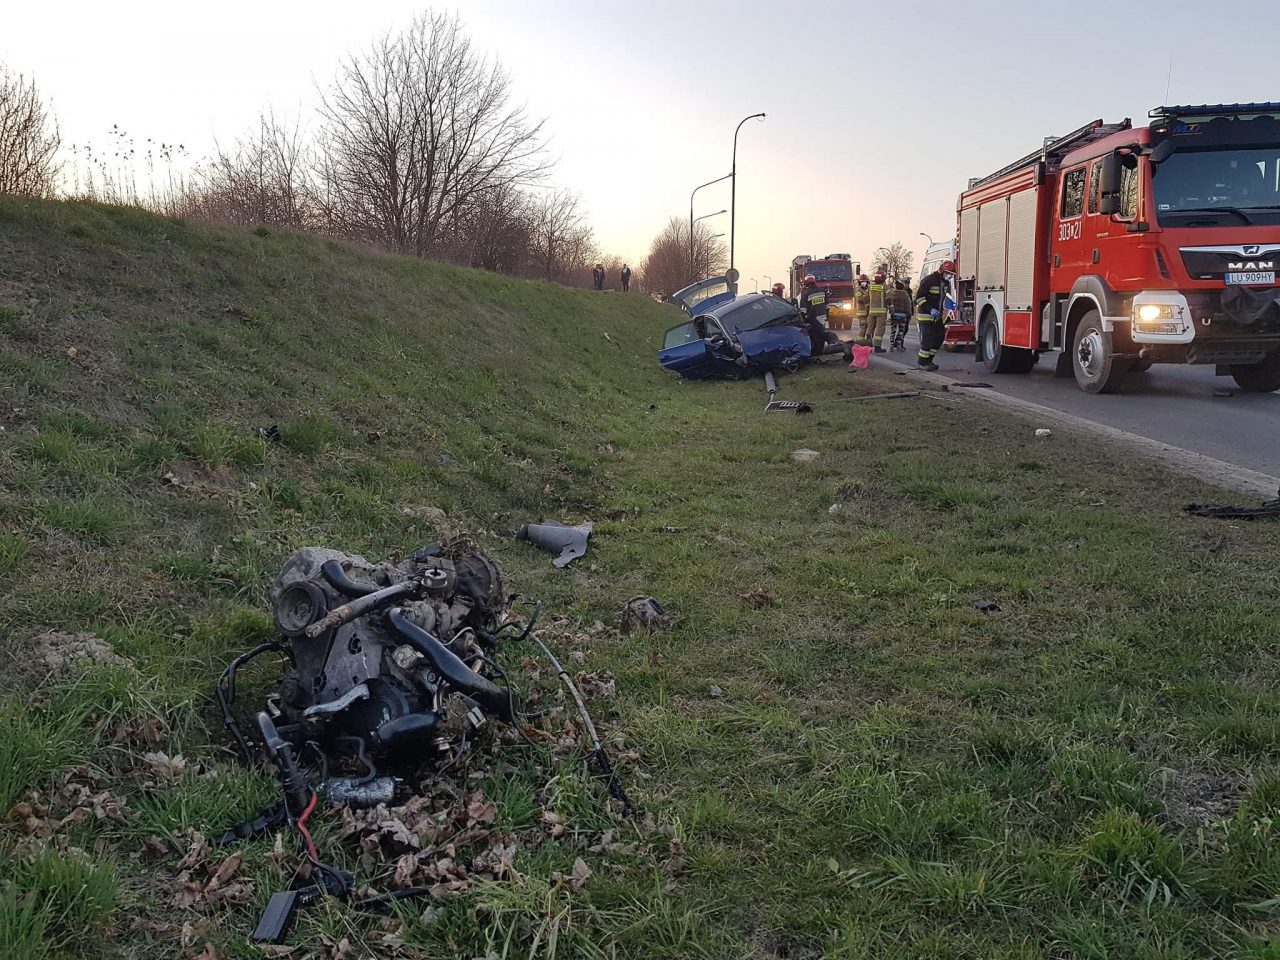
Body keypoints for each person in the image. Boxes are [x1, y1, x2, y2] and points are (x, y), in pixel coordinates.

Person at [914, 259, 955, 370]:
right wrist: (930, 309)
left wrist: (950, 308)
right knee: (928, 339)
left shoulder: (945, 283)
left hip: (938, 316)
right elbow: (919, 298)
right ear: (941, 271)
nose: (949, 276)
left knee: (939, 338)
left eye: (951, 274)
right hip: (926, 315)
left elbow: (946, 298)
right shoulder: (929, 280)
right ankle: (922, 363)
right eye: (948, 273)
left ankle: (929, 361)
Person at [798, 274, 830, 357]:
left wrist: (804, 320)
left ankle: (815, 354)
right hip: (822, 316)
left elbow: (803, 310)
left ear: (806, 284)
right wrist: (827, 316)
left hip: (812, 318)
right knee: (822, 334)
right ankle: (821, 352)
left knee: (814, 336)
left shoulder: (805, 294)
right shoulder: (822, 291)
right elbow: (827, 306)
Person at [864, 270, 889, 352]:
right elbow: (889, 299)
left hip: (871, 311)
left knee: (870, 328)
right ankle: (877, 347)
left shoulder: (870, 286)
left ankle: (867, 346)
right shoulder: (885, 287)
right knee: (880, 329)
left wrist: (867, 307)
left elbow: (865, 298)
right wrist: (891, 309)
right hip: (881, 313)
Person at [887, 279, 912, 352]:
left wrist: (891, 311)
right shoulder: (905, 294)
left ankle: (891, 346)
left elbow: (888, 302)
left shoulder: (892, 293)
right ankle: (899, 346)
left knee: (893, 330)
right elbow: (908, 305)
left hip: (894, 314)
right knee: (901, 331)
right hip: (902, 315)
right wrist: (909, 314)